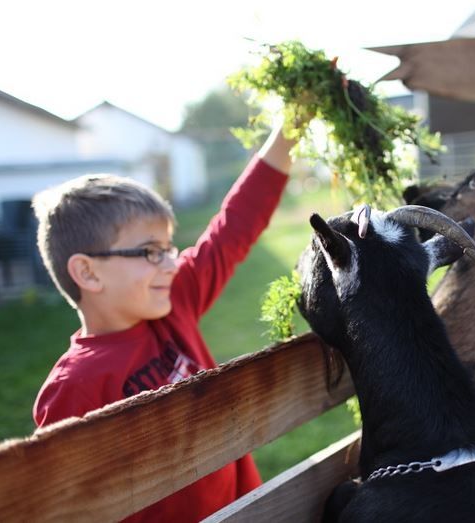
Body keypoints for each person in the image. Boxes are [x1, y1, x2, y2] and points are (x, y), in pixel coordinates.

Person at [31, 117, 302, 522]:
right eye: (150, 252)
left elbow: (234, 227)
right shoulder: (74, 390)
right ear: (88, 273)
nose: (173, 263)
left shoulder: (173, 305)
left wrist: (289, 128)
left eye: (169, 248)